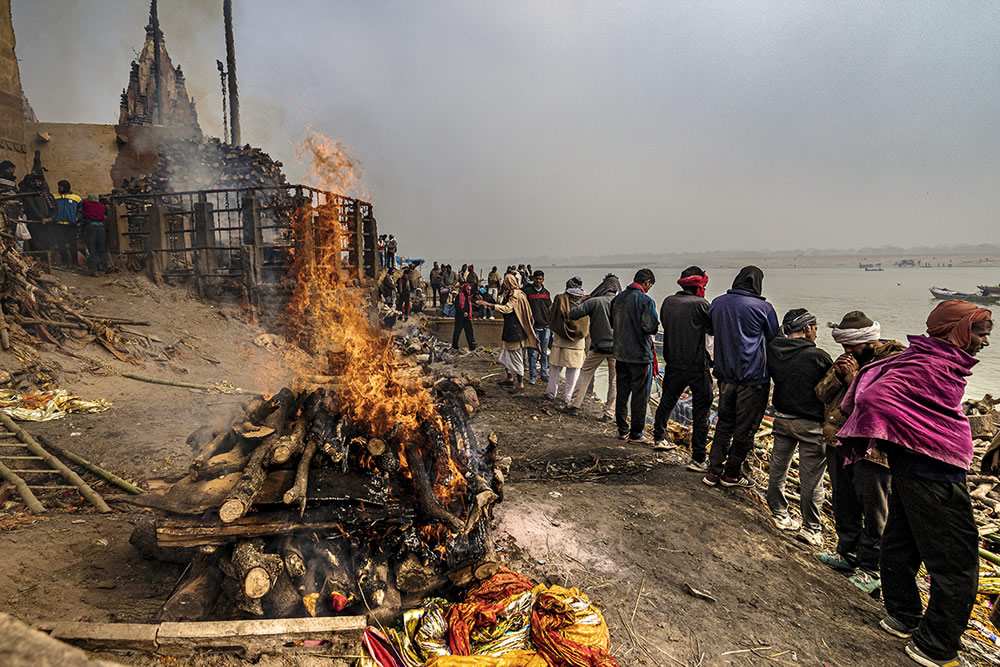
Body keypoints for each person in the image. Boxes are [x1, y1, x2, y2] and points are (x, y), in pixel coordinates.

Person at [837, 300, 991, 667]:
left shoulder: (923, 357)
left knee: (901, 542)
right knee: (956, 562)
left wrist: (901, 439)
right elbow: (873, 396)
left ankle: (902, 616)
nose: (985, 342)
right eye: (982, 333)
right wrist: (912, 436)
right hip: (933, 472)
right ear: (961, 331)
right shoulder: (933, 364)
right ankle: (936, 646)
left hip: (912, 468)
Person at [814, 310, 905, 594]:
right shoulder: (846, 361)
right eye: (844, 346)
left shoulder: (895, 361)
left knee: (875, 509)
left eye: (851, 346)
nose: (847, 351)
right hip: (839, 441)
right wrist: (839, 377)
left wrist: (854, 378)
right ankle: (846, 553)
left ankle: (870, 568)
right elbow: (821, 393)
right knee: (844, 501)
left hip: (872, 449)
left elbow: (882, 402)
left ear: (868, 340)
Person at [704, 266, 779, 488]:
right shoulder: (764, 308)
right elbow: (774, 337)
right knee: (745, 429)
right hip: (753, 378)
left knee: (724, 424)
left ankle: (712, 472)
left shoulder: (717, 303)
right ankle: (731, 474)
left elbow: (711, 330)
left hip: (725, 375)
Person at [765, 308, 833, 547]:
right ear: (805, 329)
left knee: (778, 468)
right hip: (810, 425)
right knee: (811, 479)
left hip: (782, 419)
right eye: (814, 328)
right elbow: (830, 391)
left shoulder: (774, 350)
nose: (816, 333)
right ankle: (811, 529)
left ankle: (779, 514)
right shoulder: (819, 356)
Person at [652, 266, 713, 464]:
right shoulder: (702, 305)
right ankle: (698, 458)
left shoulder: (668, 302)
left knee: (666, 402)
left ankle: (659, 437)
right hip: (697, 367)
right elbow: (712, 333)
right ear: (698, 286)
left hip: (672, 363)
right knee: (701, 412)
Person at [610, 268, 658, 444]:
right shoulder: (646, 300)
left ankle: (622, 429)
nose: (649, 288)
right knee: (639, 395)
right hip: (639, 355)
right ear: (647, 283)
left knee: (622, 393)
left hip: (620, 353)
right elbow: (650, 327)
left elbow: (612, 323)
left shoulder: (617, 299)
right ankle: (636, 433)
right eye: (650, 285)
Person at [564, 273, 620, 420]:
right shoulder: (622, 302)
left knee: (585, 374)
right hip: (617, 349)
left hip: (597, 347)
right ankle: (609, 413)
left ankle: (573, 406)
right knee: (614, 381)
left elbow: (573, 314)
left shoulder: (594, 301)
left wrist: (580, 301)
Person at [489, 273, 537, 391]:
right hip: (510, 329)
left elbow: (507, 309)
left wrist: (490, 305)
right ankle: (510, 379)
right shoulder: (510, 293)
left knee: (516, 358)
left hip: (516, 331)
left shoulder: (516, 295)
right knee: (506, 357)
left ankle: (520, 384)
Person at [546, 277, 589, 404]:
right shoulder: (586, 300)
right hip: (577, 343)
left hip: (560, 340)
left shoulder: (560, 298)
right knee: (573, 373)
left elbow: (551, 312)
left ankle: (551, 393)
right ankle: (569, 398)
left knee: (554, 369)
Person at [522, 270, 552, 384]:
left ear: (543, 279)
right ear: (533, 279)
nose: (538, 281)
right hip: (533, 328)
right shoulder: (527, 293)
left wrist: (551, 325)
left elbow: (550, 309)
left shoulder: (546, 293)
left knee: (544, 352)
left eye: (540, 279)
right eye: (536, 279)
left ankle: (544, 374)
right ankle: (532, 376)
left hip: (546, 327)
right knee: (532, 353)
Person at [19, 172, 54, 252]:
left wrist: (51, 218)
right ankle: (38, 259)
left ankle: (46, 259)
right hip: (36, 222)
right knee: (36, 242)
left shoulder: (47, 194)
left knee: (47, 241)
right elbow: (32, 207)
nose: (37, 183)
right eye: (35, 181)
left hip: (48, 222)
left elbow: (54, 207)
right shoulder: (30, 193)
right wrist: (42, 218)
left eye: (39, 181)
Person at [53, 180, 82, 266]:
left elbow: (83, 210)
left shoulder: (76, 198)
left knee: (73, 245)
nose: (58, 188)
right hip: (58, 225)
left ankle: (75, 264)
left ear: (66, 187)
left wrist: (76, 219)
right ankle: (65, 263)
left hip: (71, 225)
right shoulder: (54, 197)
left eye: (60, 187)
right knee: (61, 245)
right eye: (58, 186)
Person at [80, 194, 109, 274]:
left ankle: (93, 269)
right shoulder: (102, 206)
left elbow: (82, 205)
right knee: (102, 248)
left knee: (91, 248)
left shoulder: (86, 203)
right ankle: (106, 265)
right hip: (101, 228)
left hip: (91, 227)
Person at [452, 282, 478, 350]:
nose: (469, 291)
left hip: (467, 319)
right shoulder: (459, 296)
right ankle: (455, 347)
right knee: (457, 332)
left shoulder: (468, 297)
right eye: (468, 289)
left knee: (469, 332)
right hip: (459, 318)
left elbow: (469, 306)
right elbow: (457, 307)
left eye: (470, 290)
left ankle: (472, 346)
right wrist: (463, 312)